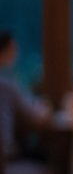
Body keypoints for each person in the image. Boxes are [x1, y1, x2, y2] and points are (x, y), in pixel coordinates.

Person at [0, 31, 49, 160]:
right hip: (6, 156)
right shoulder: (6, 85)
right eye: (13, 49)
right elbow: (36, 119)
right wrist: (45, 108)